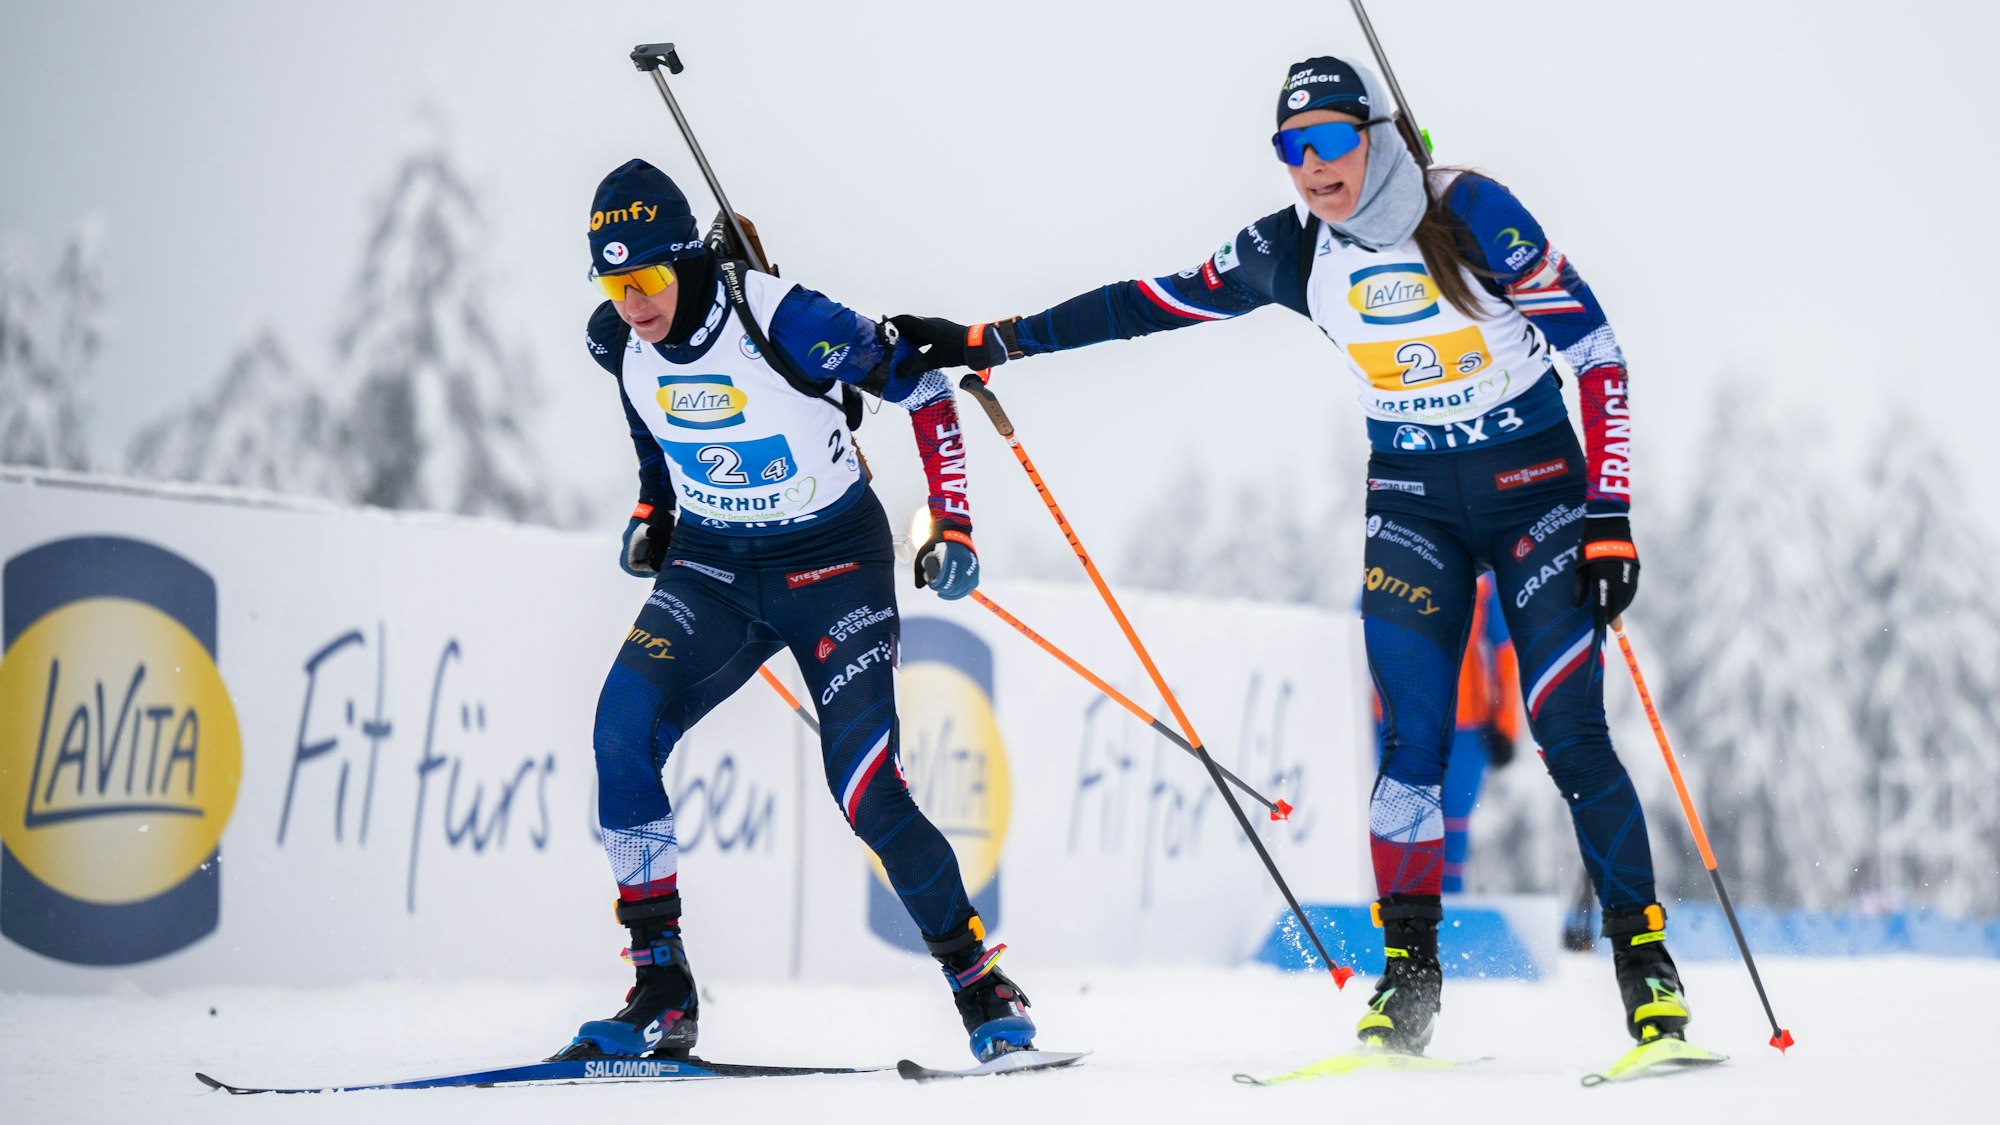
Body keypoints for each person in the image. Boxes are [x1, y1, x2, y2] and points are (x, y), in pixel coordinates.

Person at [889, 56, 1688, 1054]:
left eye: (1327, 142)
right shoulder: (1291, 250)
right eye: (1287, 148)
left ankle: (1643, 970)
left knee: (1565, 730)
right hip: (1411, 504)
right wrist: (984, 340)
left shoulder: (1471, 212)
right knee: (1408, 757)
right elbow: (1149, 300)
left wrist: (1608, 516)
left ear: (1376, 135)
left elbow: (1597, 353)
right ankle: (1408, 982)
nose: (1308, 166)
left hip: (1534, 493)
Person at [560, 159, 1033, 1064]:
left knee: (864, 785)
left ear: (685, 262)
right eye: (615, 285)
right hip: (714, 570)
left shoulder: (783, 317)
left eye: (649, 280)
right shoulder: (612, 339)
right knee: (621, 731)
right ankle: (661, 992)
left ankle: (980, 984)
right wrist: (652, 509)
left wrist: (956, 522)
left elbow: (926, 388)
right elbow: (653, 423)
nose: (635, 304)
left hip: (833, 566)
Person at [1373, 571, 1520, 894]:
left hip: (1464, 726)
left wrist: (1506, 725)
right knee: (1399, 828)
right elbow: (1360, 635)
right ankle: (1397, 920)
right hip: (1397, 721)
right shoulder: (1387, 560)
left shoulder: (1481, 577)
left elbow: (1505, 649)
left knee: (1451, 830)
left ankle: (1450, 923)